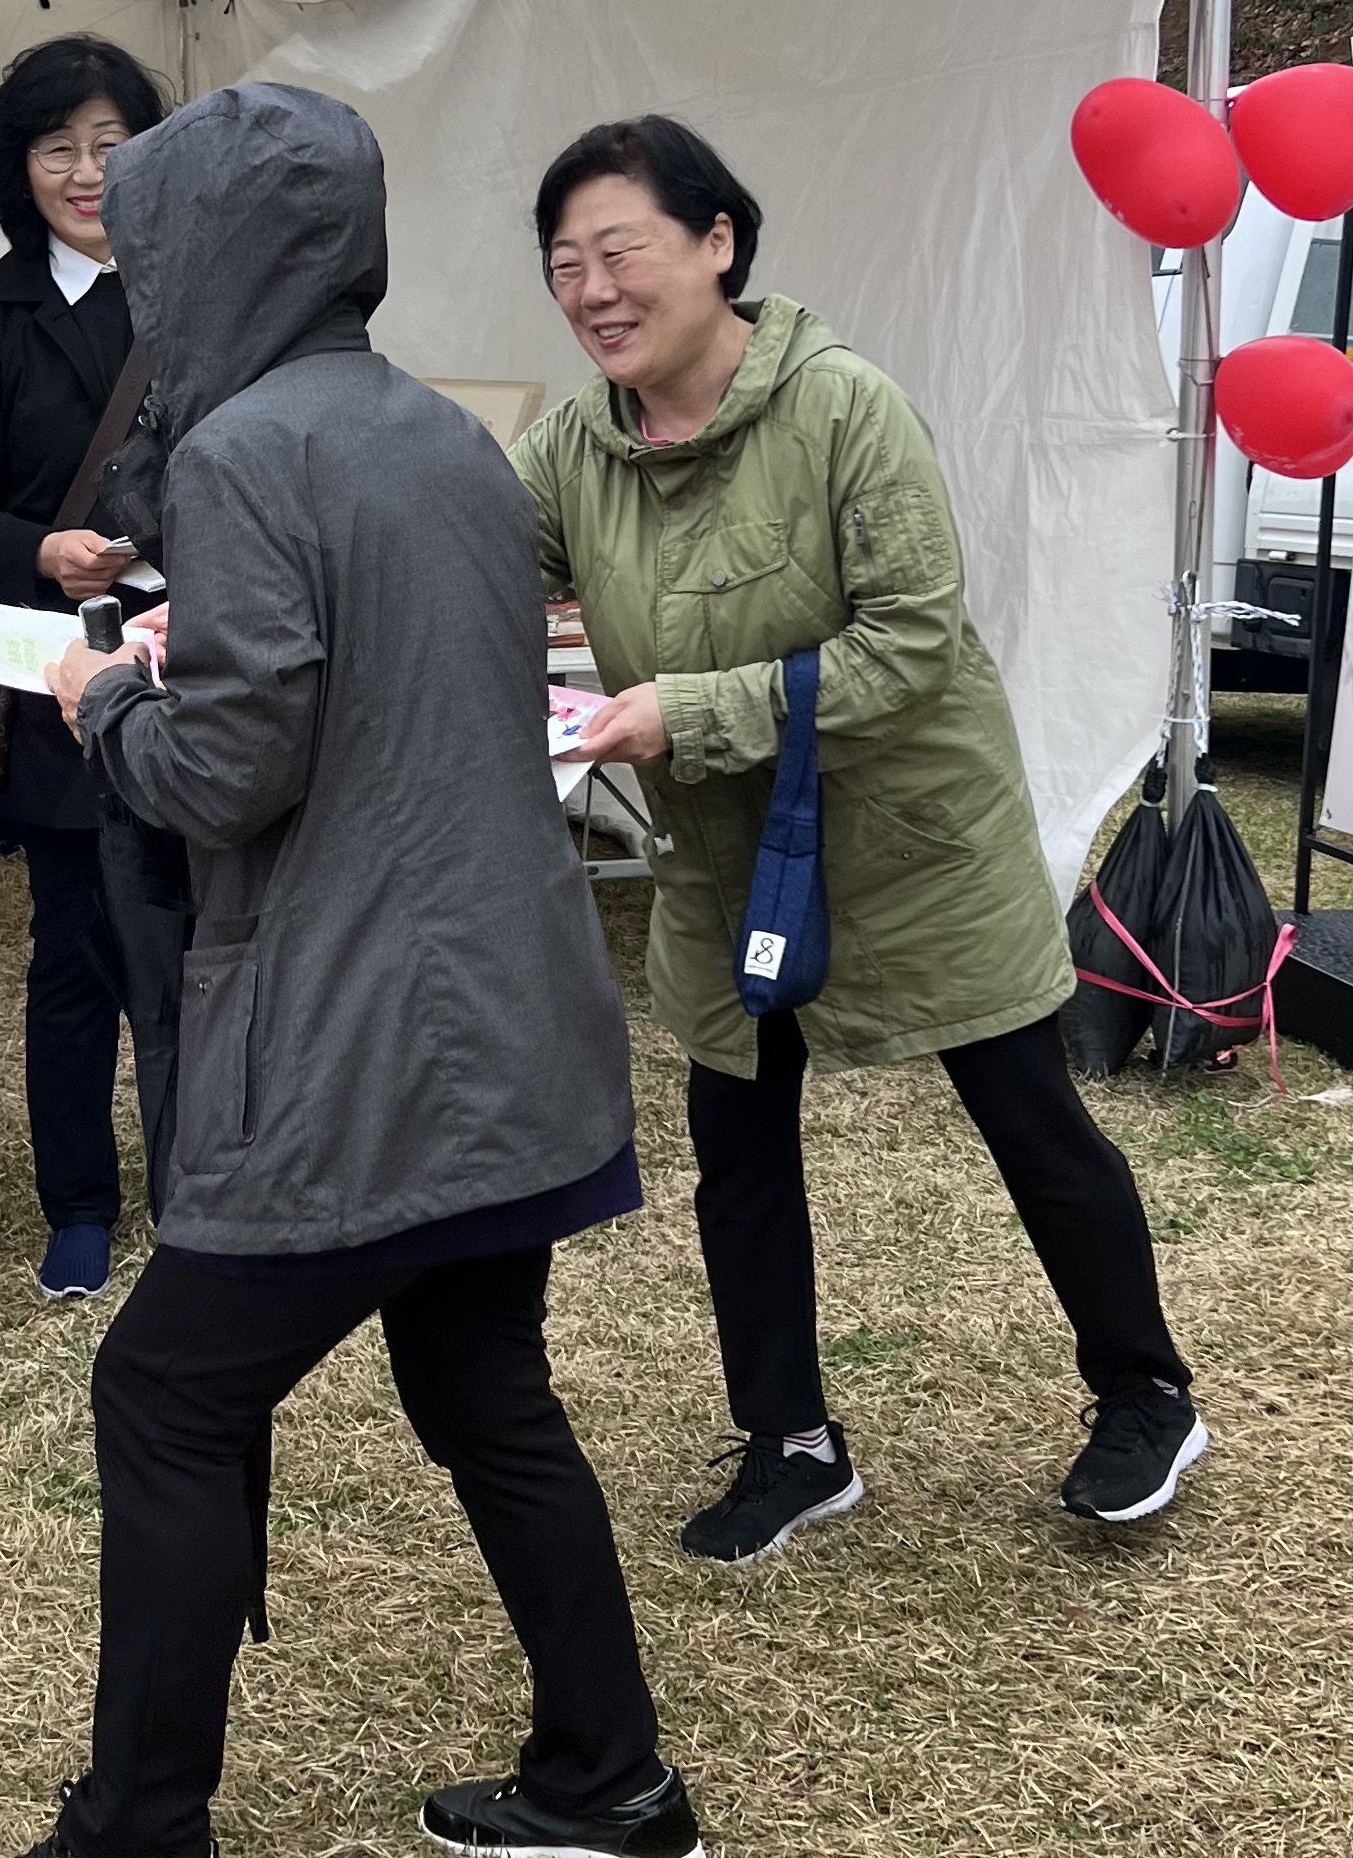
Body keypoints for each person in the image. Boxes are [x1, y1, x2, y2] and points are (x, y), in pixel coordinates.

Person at [0, 83, 701, 1858]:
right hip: (499, 1011)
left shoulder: (241, 449)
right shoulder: (434, 427)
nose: (131, 263)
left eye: (149, 237)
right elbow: (371, 693)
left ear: (203, 255)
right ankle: (611, 1778)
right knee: (481, 1385)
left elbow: (233, 766)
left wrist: (106, 696)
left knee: (169, 1393)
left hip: (357, 1033)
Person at [515, 117, 1207, 1563]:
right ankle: (791, 1443)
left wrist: (679, 712)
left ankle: (1144, 1392)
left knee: (1031, 1116)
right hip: (724, 859)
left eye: (619, 251)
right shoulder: (577, 441)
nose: (592, 291)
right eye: (564, 266)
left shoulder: (843, 408)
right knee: (738, 1144)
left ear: (718, 242)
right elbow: (467, 568)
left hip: (911, 843)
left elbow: (910, 640)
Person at [0, 36, 178, 1302]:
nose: (86, 171)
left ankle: (205, 1185)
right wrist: (40, 549)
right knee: (74, 946)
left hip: (204, 660)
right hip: (60, 662)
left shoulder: (203, 294)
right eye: (58, 145)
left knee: (202, 941)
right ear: (19, 166)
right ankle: (77, 1201)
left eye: (111, 143)